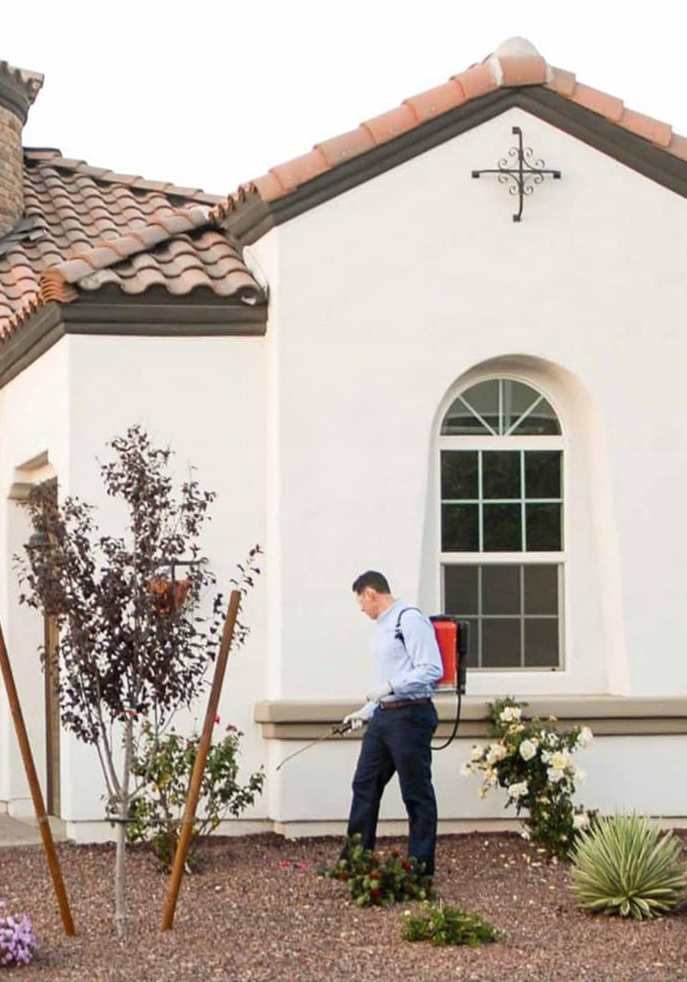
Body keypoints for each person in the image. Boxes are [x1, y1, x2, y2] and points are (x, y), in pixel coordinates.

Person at [342, 570, 443, 875]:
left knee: (415, 791)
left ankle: (420, 868)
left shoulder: (409, 620)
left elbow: (431, 669)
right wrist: (367, 710)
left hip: (410, 715)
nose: (361, 609)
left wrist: (391, 686)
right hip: (384, 716)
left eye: (361, 601)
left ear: (371, 594)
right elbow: (385, 677)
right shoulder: (382, 629)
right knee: (364, 783)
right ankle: (356, 860)